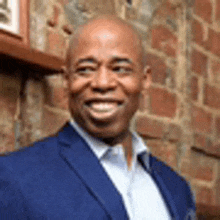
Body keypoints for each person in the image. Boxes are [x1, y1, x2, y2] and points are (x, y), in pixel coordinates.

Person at [0, 15, 196, 219]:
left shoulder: (177, 189)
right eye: (85, 70)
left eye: (120, 69)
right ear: (67, 80)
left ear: (144, 80)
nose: (102, 83)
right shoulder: (14, 177)